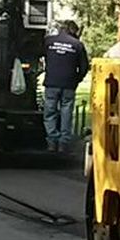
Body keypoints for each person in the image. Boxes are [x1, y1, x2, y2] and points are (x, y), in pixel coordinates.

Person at [41, 20, 89, 153]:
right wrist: (77, 80)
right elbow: (84, 66)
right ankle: (63, 143)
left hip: (51, 82)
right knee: (66, 113)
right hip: (68, 84)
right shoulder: (77, 45)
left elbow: (40, 55)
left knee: (50, 113)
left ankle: (51, 141)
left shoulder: (49, 41)